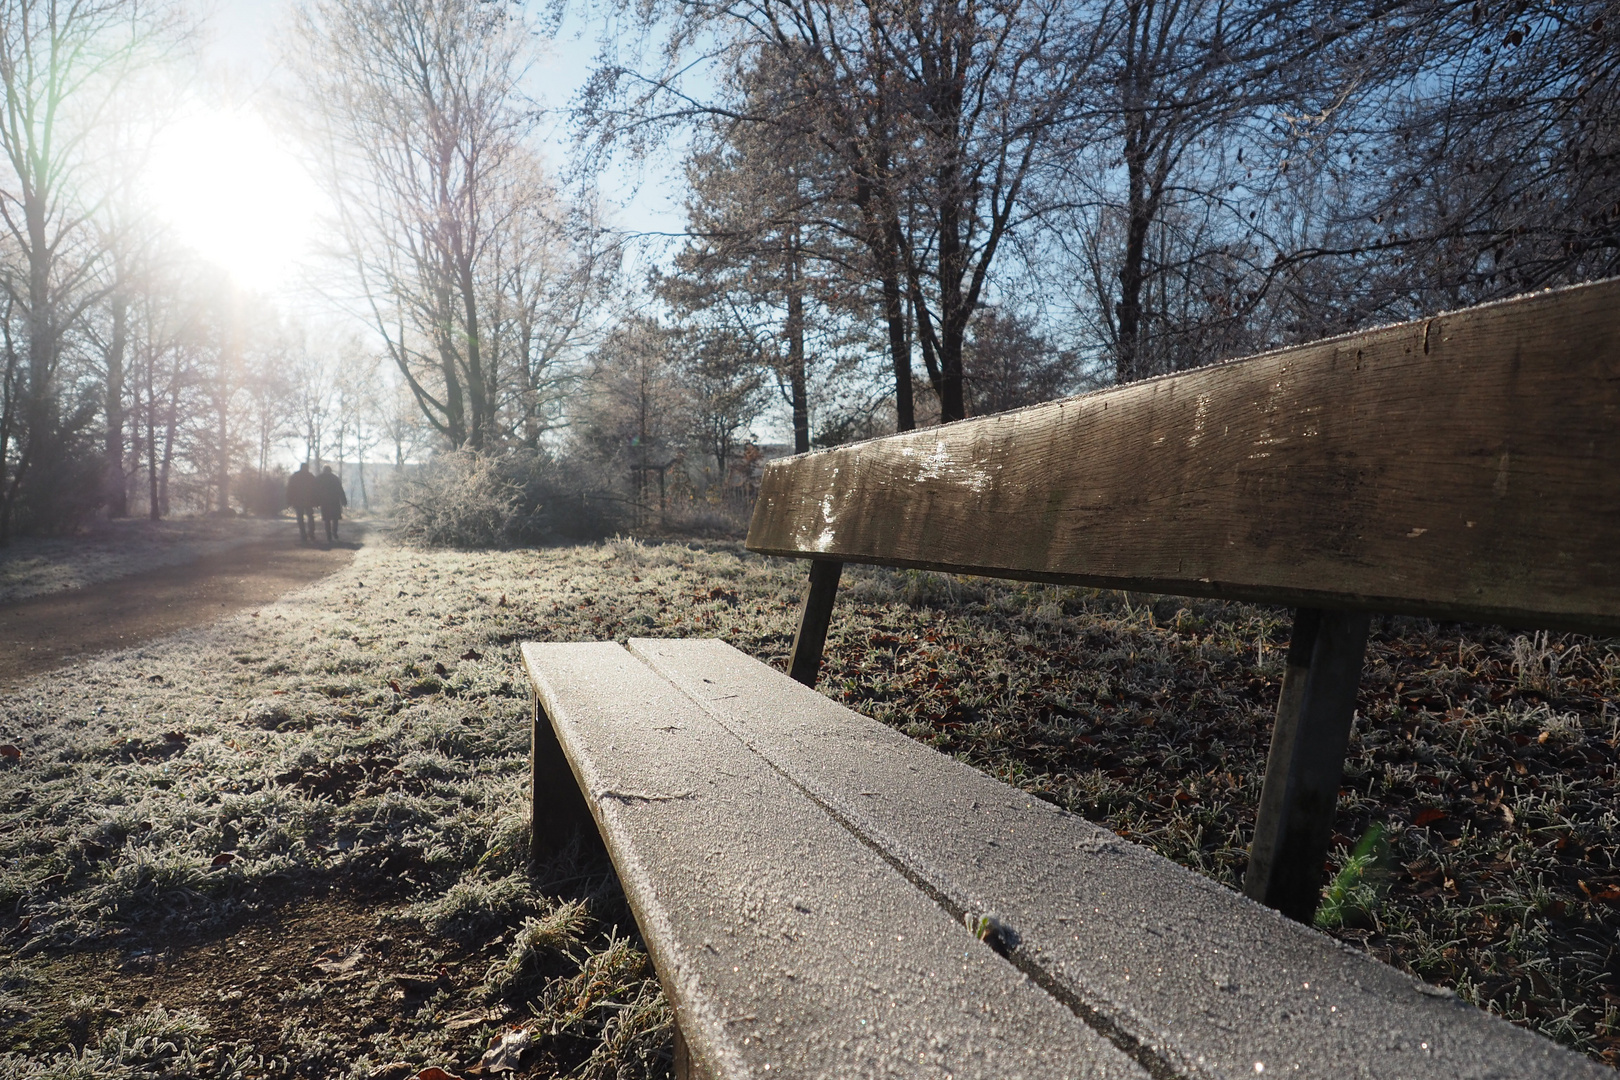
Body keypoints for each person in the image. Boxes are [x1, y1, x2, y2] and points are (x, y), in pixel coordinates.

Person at [286, 463, 317, 543]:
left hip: (298, 500)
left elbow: (290, 489)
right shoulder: (311, 477)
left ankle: (303, 534)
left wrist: (289, 500)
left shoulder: (295, 476)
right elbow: (315, 489)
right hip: (309, 500)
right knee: (310, 516)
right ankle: (311, 533)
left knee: (300, 518)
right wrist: (316, 501)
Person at [316, 465, 348, 543]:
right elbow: (340, 490)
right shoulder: (335, 478)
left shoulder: (319, 478)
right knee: (335, 518)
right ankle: (334, 532)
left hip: (324, 501)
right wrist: (343, 501)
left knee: (327, 519)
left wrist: (315, 501)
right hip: (334, 501)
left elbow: (315, 491)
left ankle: (328, 535)